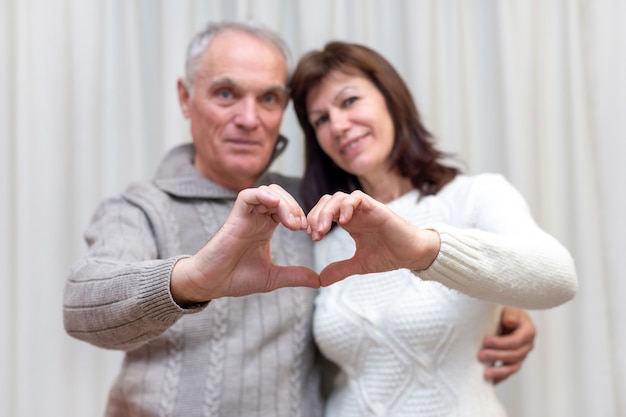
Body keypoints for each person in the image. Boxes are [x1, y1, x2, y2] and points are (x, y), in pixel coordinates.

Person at [63, 21, 536, 417]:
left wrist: (495, 305)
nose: (249, 118)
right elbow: (82, 306)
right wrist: (195, 279)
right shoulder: (141, 208)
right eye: (226, 93)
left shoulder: (314, 204)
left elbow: (377, 298)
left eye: (268, 99)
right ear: (186, 98)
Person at [289, 41, 578, 417]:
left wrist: (426, 251)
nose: (339, 125)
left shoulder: (474, 197)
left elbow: (559, 278)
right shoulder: (322, 232)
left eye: (349, 101)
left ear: (391, 99)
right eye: (320, 119)